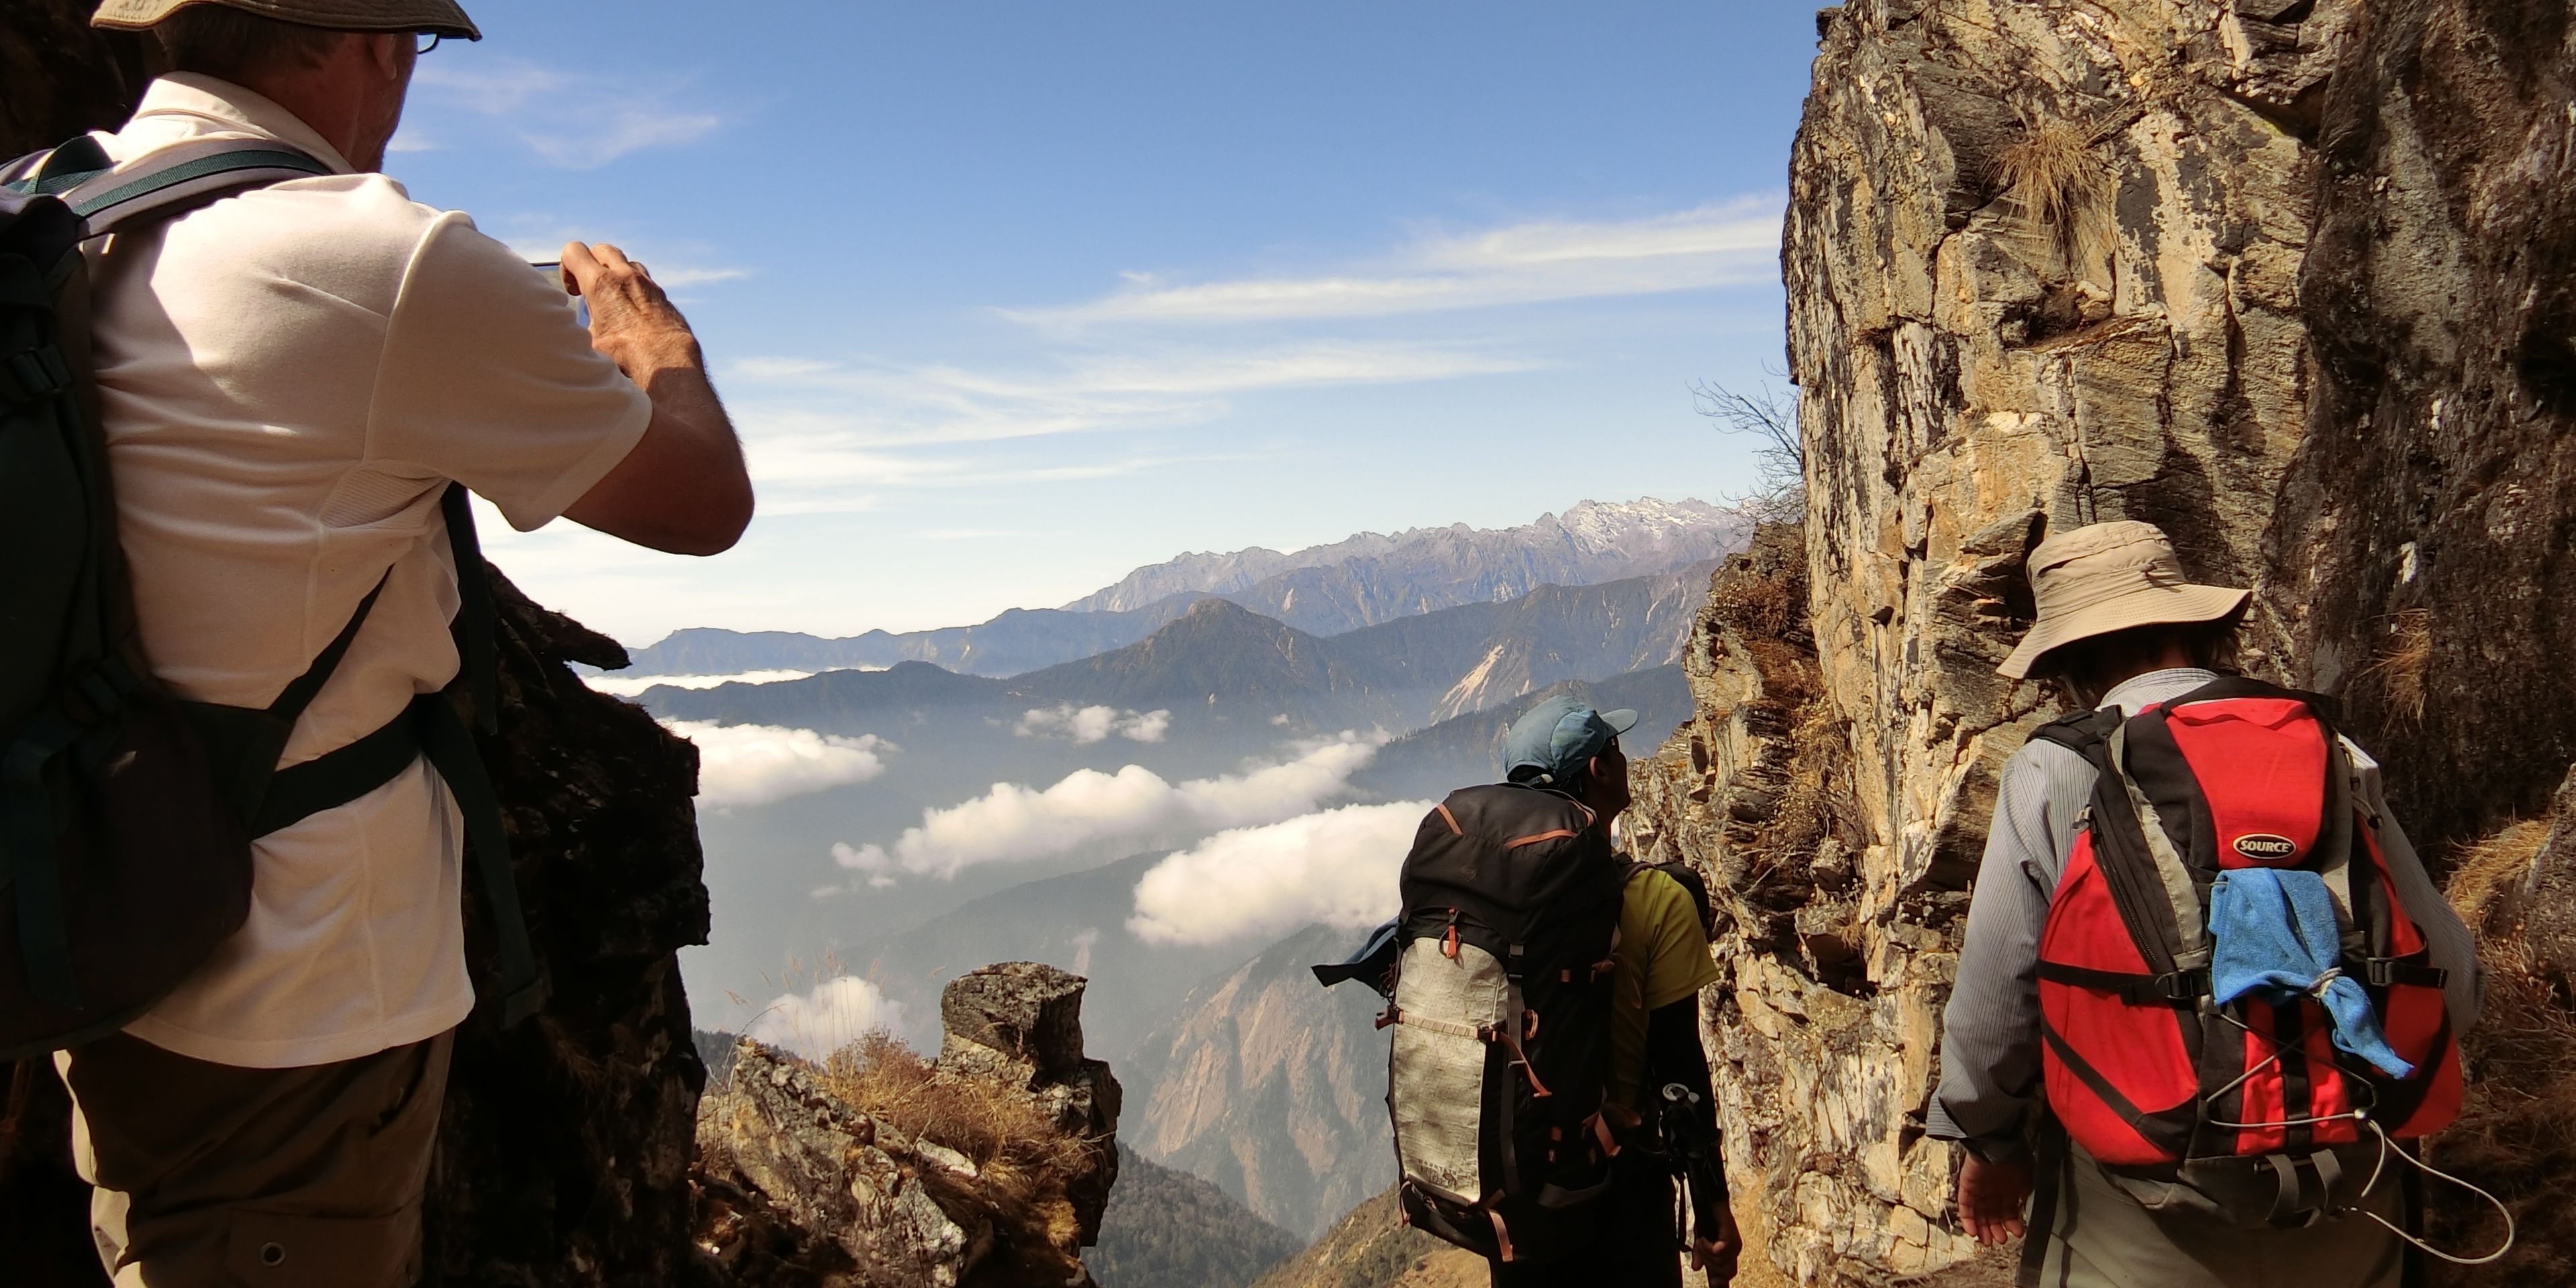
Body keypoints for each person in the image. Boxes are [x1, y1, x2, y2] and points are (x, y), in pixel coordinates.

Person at [48, 1, 752, 1283]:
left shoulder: (54, 216)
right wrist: (655, 345)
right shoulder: (373, 257)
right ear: (365, 41)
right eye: (409, 45)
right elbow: (702, 501)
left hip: (82, 889)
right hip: (289, 978)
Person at [1929, 521, 2480, 1288]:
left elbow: (1996, 1002)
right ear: (2196, 625)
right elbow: (2451, 974)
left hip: (2144, 1188)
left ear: (2068, 661)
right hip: (2350, 1168)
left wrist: (1988, 1142)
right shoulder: (2328, 749)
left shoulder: (2054, 769)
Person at [1488, 696, 1743, 1287]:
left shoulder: (1494, 908)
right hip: (1621, 1197)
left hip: (1519, 1207)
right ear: (1599, 771)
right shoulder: (1658, 901)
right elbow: (1680, 1070)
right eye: (1614, 749)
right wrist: (1712, 1206)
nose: (1624, 758)